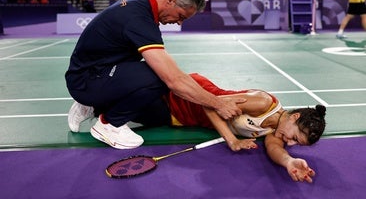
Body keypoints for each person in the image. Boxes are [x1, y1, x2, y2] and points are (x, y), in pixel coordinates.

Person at [65, 0, 244, 149]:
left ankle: (94, 105)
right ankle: (109, 124)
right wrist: (218, 103)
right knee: (159, 78)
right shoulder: (139, 19)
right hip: (85, 80)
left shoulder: (140, 6)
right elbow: (174, 80)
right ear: (171, 0)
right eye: (181, 16)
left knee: (158, 113)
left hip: (97, 72)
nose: (178, 22)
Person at [72, 72, 326, 183]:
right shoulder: (263, 104)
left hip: (185, 119)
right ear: (293, 117)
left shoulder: (276, 132)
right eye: (294, 138)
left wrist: (289, 161)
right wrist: (232, 140)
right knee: (143, 102)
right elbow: (211, 104)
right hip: (192, 97)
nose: (289, 143)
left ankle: (94, 107)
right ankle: (89, 104)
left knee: (145, 117)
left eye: (295, 145)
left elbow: (274, 148)